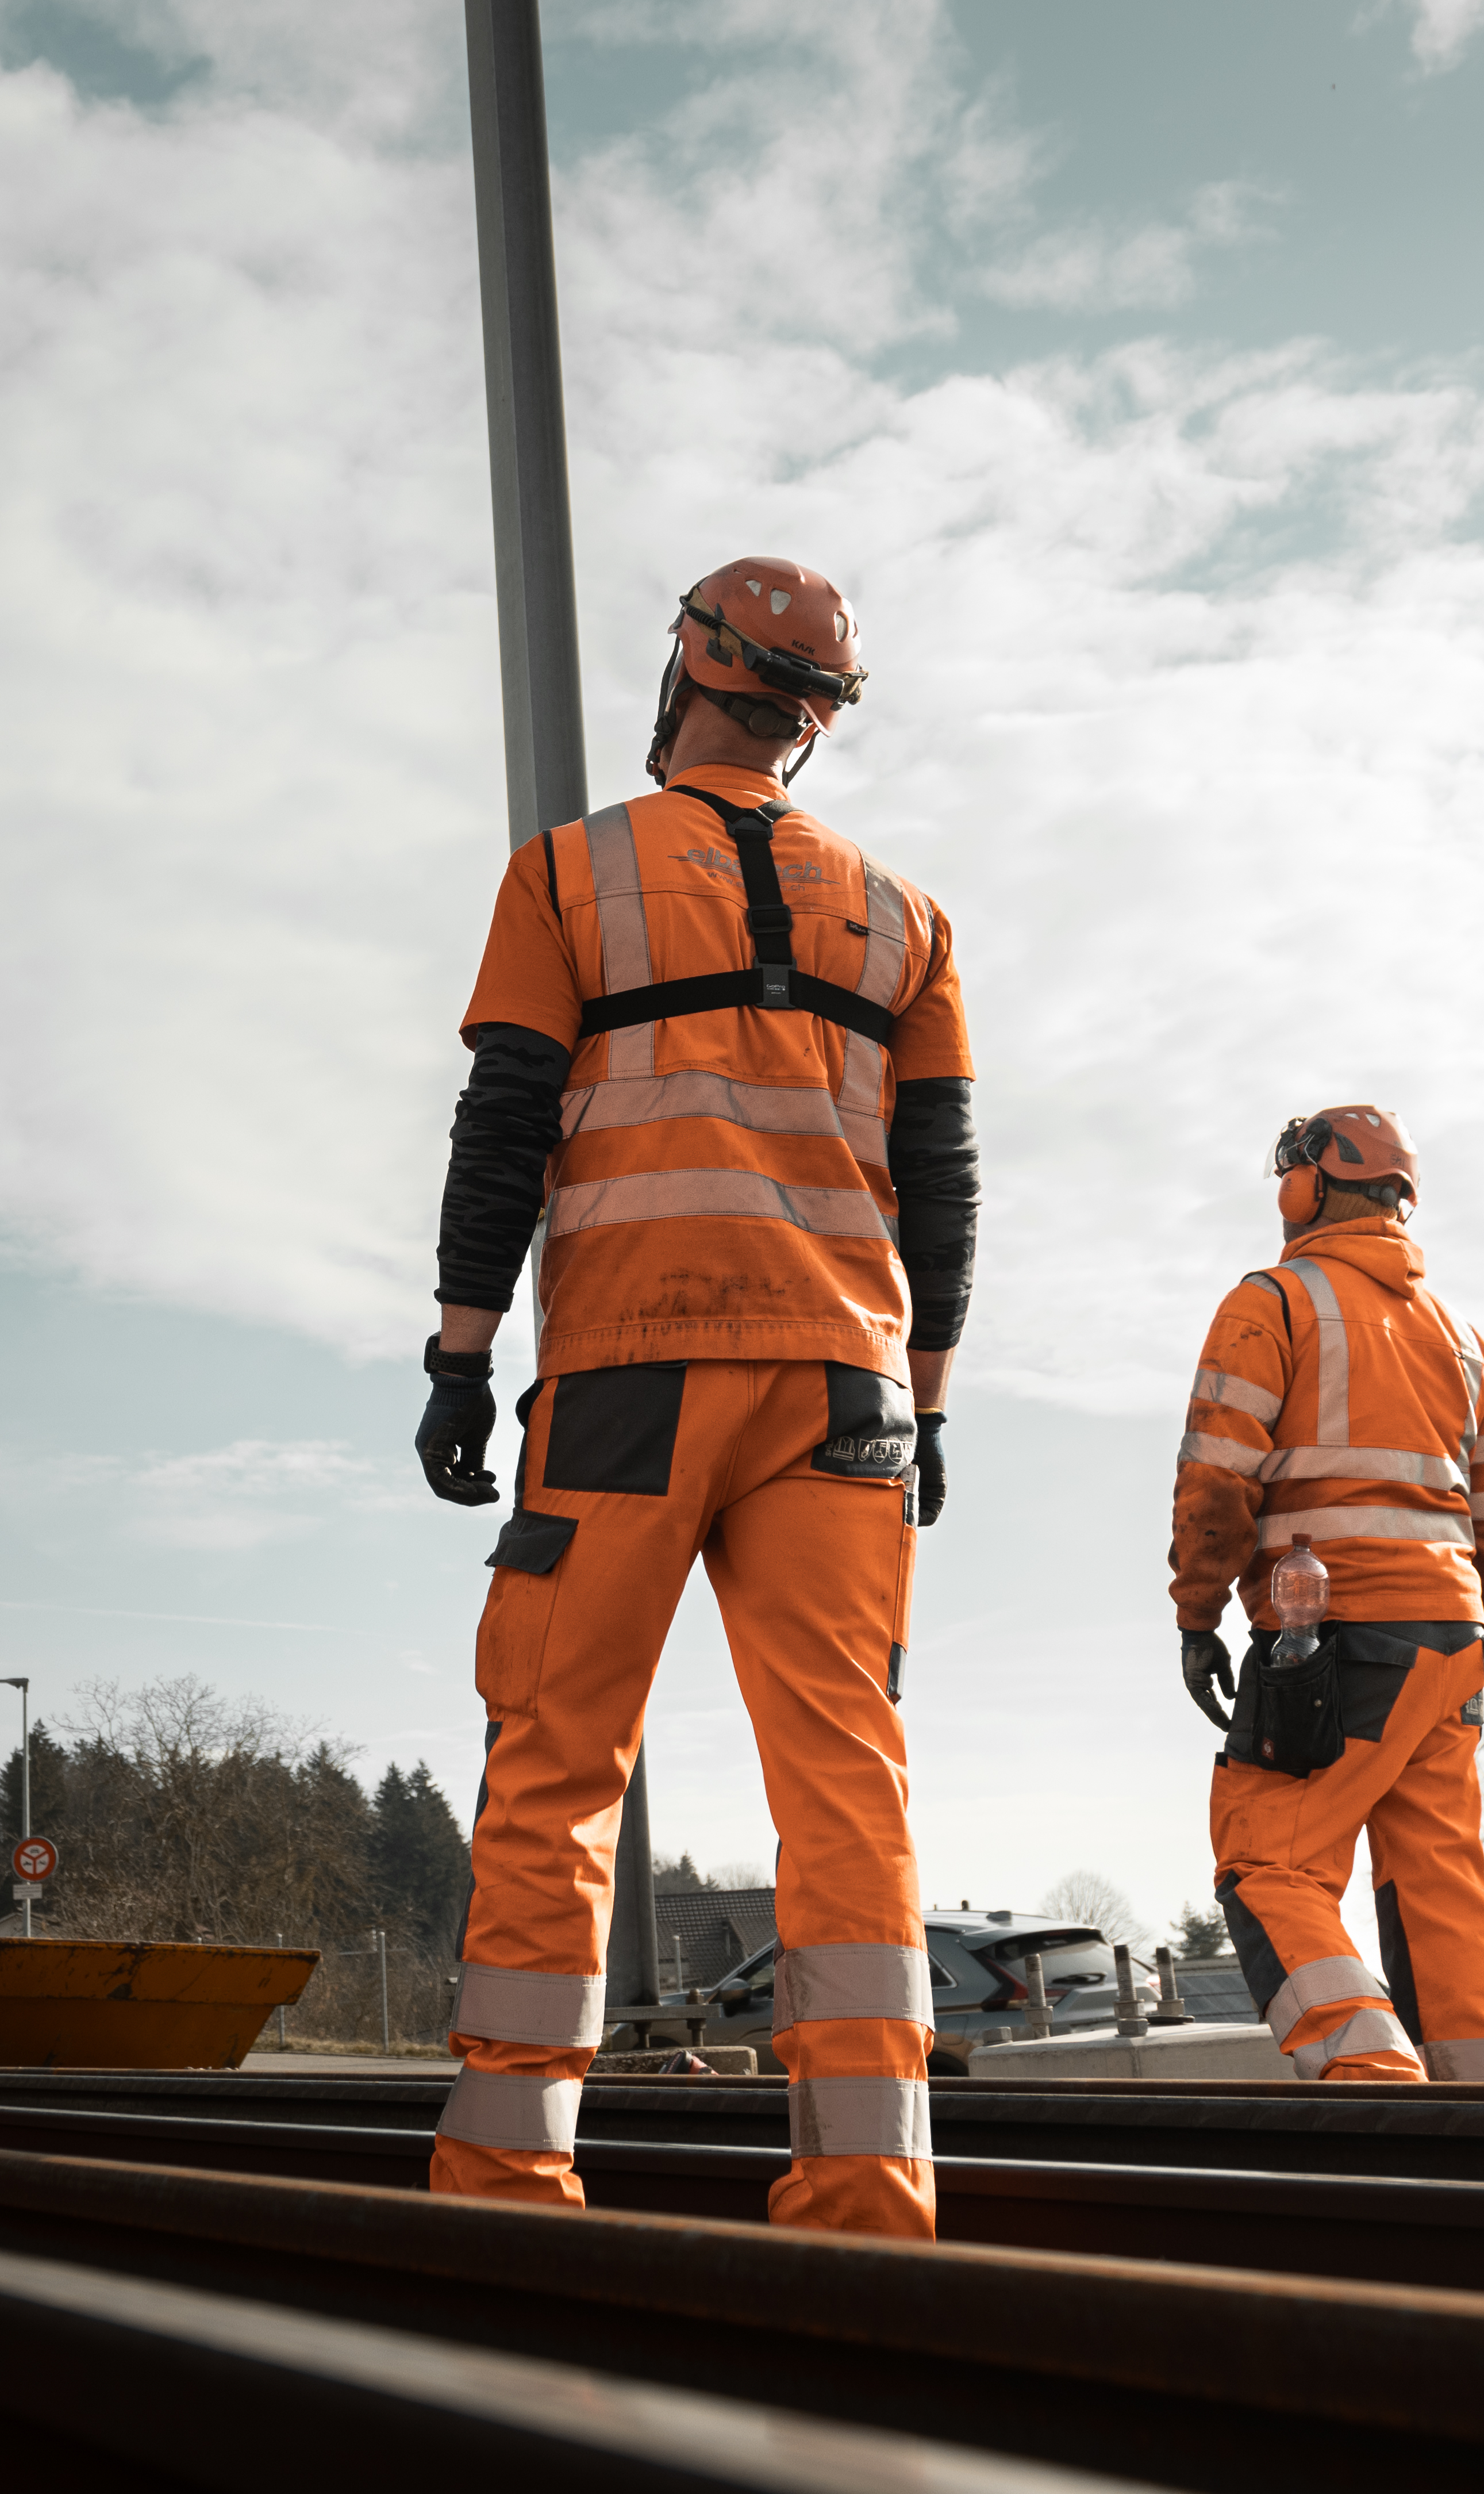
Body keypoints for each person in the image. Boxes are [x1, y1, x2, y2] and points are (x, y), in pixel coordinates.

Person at [414, 557, 978, 2239]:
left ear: (686, 674)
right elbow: (942, 1182)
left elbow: (504, 1124)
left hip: (630, 1377)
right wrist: (929, 1403)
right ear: (812, 722)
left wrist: (460, 1352)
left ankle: (510, 2182)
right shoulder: (906, 918)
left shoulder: (567, 873)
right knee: (847, 1774)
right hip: (845, 1393)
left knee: (558, 1760)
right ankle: (869, 2190)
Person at [1168, 1107, 1484, 2082]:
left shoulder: (1274, 1302)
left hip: (1335, 1637)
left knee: (1269, 1865)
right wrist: (1480, 1629)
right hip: (1452, 1641)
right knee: (1439, 1881)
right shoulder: (1467, 1343)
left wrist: (1198, 1616)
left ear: (1309, 1186)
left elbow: (1215, 1482)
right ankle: (1481, 2112)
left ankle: (1374, 2084)